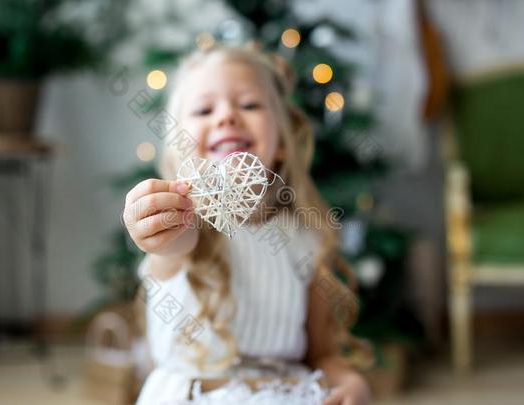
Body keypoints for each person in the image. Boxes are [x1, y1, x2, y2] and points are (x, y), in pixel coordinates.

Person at [123, 44, 372, 405]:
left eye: (250, 104)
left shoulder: (305, 239)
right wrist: (152, 222)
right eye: (204, 109)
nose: (226, 116)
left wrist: (349, 381)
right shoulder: (185, 228)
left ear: (283, 142)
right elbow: (169, 247)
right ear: (178, 148)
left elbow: (321, 355)